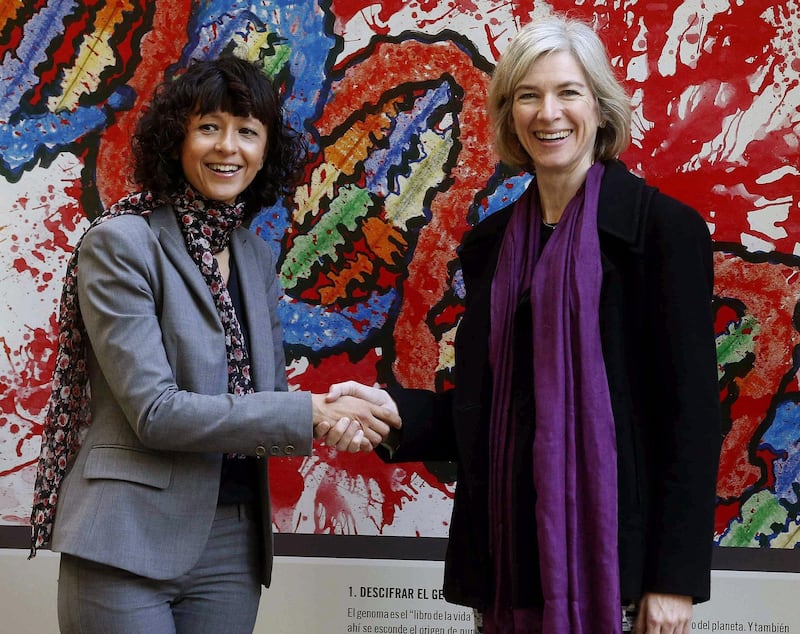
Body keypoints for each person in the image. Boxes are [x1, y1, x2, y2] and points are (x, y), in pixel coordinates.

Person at [328, 12, 721, 634]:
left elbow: (691, 416)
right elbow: (493, 408)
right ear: (509, 114)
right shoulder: (491, 243)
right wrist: (393, 414)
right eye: (528, 96)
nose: (549, 113)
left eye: (568, 92)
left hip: (616, 563)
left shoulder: (662, 231)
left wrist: (673, 580)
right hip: (511, 561)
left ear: (600, 106)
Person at [29, 55, 400, 633]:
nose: (228, 147)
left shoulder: (254, 255)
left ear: (265, 151)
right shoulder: (121, 243)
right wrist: (315, 411)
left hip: (231, 540)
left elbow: (269, 399)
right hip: (126, 537)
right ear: (177, 137)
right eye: (209, 127)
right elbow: (155, 412)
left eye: (247, 132)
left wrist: (338, 418)